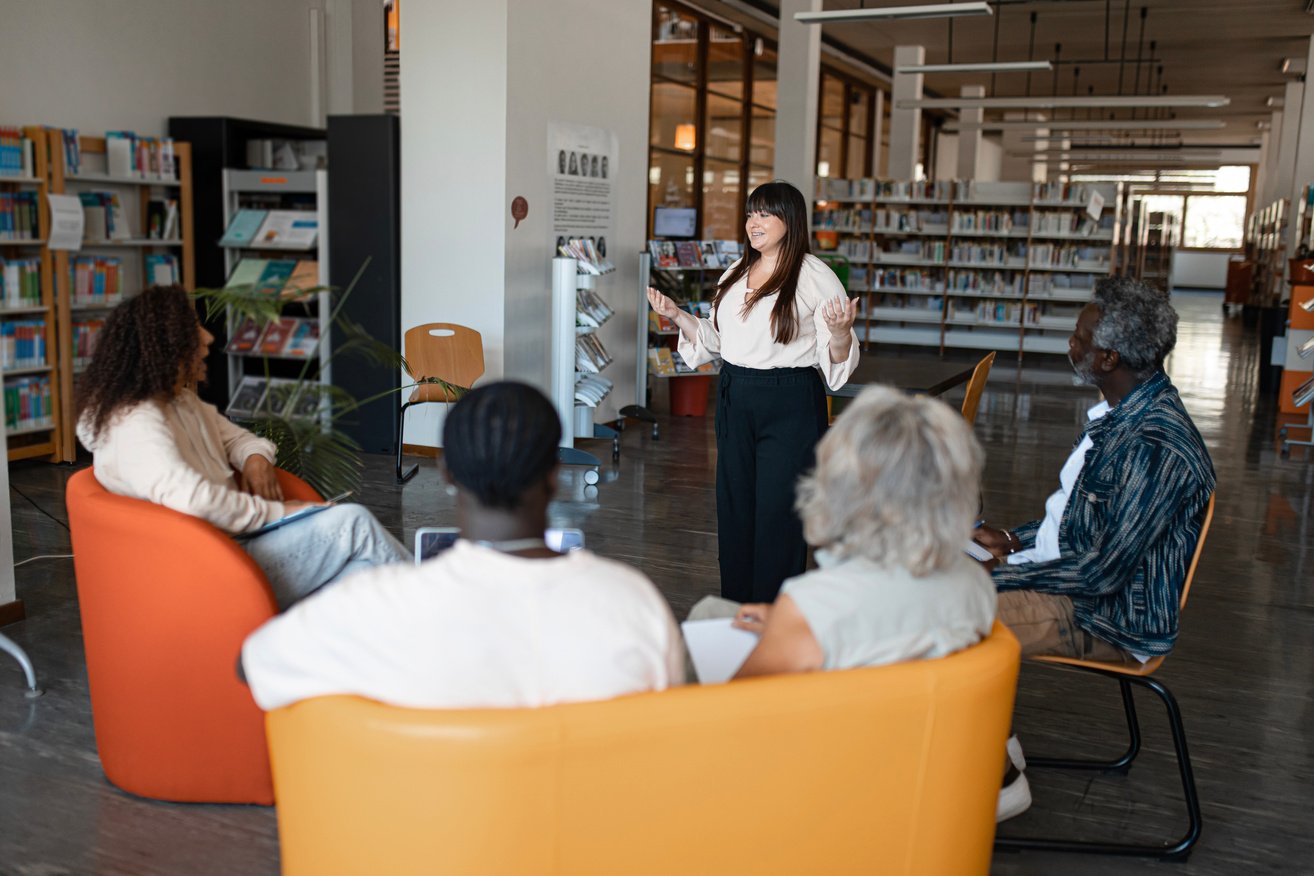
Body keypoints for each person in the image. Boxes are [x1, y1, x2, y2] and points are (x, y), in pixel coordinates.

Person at [241, 381, 685, 711]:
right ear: (553, 473)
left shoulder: (374, 606)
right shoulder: (634, 602)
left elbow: (252, 664)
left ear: (448, 473)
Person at [973, 276, 1216, 821]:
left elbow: (1103, 571)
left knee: (948, 613)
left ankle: (999, 782)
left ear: (1108, 357)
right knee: (941, 582)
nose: (1070, 344)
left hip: (1107, 614)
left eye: (1080, 338)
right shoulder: (1124, 415)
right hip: (1076, 581)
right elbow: (1083, 522)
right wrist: (1013, 540)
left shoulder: (1155, 444)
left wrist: (997, 577)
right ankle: (991, 740)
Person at [75, 286, 409, 610]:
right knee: (352, 522)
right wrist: (283, 512)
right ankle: (445, 611)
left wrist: (255, 458)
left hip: (232, 545)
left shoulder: (181, 400)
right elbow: (195, 499)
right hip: (207, 568)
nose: (208, 338)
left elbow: (239, 439)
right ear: (164, 345)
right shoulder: (135, 423)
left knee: (364, 576)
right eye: (194, 329)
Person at [688, 385, 995, 679]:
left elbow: (735, 697)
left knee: (703, 624)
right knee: (713, 611)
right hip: (916, 719)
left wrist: (792, 621)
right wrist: (787, 622)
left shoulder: (816, 604)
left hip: (812, 723)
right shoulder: (977, 587)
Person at [646, 180, 859, 603]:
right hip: (736, 395)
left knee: (779, 513)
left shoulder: (816, 277)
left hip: (790, 400)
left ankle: (773, 615)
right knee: (736, 506)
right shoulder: (735, 272)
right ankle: (737, 608)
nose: (753, 223)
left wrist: (840, 333)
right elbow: (715, 342)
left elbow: (836, 363)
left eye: (764, 214)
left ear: (790, 220)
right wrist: (675, 315)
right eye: (749, 213)